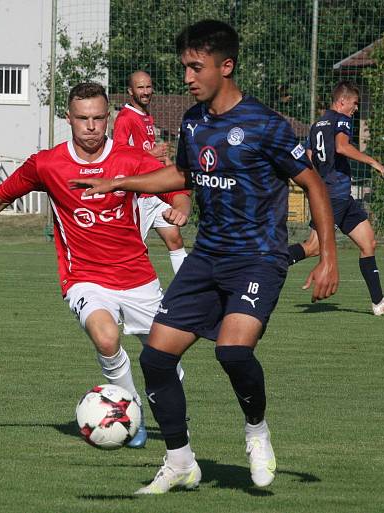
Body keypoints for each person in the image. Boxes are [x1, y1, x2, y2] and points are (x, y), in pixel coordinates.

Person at [70, 20, 339, 493]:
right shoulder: (194, 122)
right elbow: (181, 174)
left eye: (197, 67)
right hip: (207, 257)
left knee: (233, 351)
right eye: (185, 68)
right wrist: (117, 182)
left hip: (256, 258)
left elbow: (313, 183)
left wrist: (328, 256)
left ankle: (257, 433)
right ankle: (180, 462)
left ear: (226, 65)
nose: (188, 77)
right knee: (156, 358)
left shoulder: (264, 124)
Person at [0, 82, 191, 449]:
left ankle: (174, 420)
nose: (91, 126)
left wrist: (180, 208)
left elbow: (176, 187)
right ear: (69, 119)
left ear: (109, 118)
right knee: (106, 338)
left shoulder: (130, 158)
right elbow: (0, 196)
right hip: (84, 277)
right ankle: (128, 411)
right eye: (83, 118)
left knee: (164, 357)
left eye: (99, 118)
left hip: (138, 278)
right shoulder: (47, 163)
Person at [287, 81, 384, 316]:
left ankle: (379, 302)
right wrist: (372, 161)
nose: (355, 108)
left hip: (340, 196)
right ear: (342, 101)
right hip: (333, 196)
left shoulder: (316, 125)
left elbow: (309, 159)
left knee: (368, 243)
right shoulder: (341, 120)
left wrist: (311, 188)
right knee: (313, 247)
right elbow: (342, 147)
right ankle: (266, 264)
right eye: (354, 103)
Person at [114, 70, 188, 274]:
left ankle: (187, 292)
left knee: (175, 238)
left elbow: (147, 153)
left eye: (148, 86)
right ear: (130, 91)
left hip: (155, 193)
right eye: (140, 87)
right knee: (130, 250)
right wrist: (149, 153)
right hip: (139, 195)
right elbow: (118, 157)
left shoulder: (146, 116)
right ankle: (115, 290)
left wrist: (164, 161)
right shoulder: (125, 118)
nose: (146, 91)